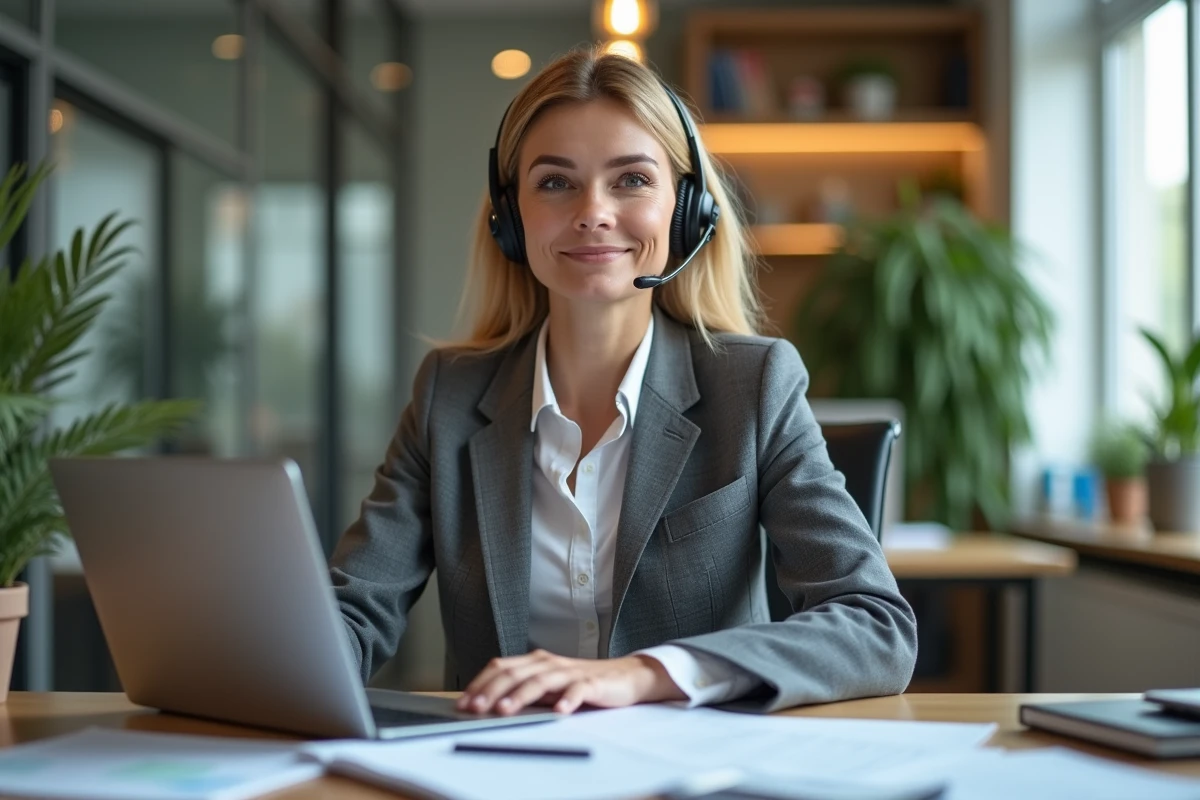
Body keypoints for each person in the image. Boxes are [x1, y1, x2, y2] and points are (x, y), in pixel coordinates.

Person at [330, 45, 917, 718]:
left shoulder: (753, 386)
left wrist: (645, 674)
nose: (593, 211)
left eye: (632, 180)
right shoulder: (449, 395)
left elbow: (876, 627)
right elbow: (353, 612)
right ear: (509, 218)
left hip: (696, 769)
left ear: (687, 211)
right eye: (555, 182)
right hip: (498, 770)